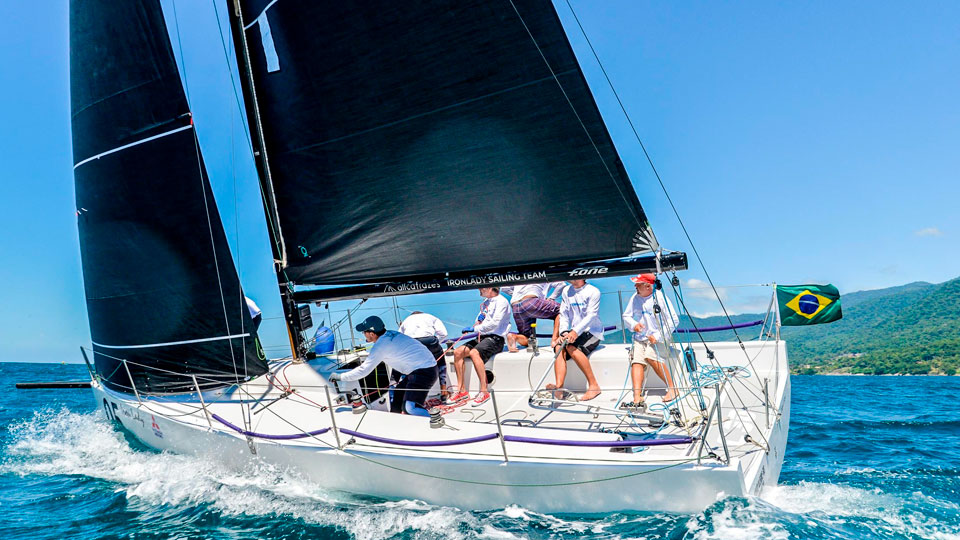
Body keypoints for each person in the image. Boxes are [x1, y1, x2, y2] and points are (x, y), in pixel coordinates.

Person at [329, 316, 437, 417]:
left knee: (410, 408)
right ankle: (398, 422)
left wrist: (340, 377)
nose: (363, 334)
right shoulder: (391, 333)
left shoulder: (381, 346)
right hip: (425, 368)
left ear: (371, 333)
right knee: (398, 394)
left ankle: (436, 423)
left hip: (423, 372)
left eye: (364, 332)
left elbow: (363, 371)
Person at [621, 274, 680, 407]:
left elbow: (673, 319)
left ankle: (672, 388)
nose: (635, 286)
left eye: (638, 284)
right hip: (640, 337)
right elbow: (626, 316)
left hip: (659, 338)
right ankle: (637, 396)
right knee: (636, 361)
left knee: (651, 357)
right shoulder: (634, 298)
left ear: (648, 286)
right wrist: (634, 325)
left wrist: (658, 336)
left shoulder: (661, 298)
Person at [452, 287, 510, 405]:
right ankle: (461, 391)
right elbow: (481, 320)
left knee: (474, 353)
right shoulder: (485, 303)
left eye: (482, 287)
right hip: (482, 337)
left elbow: (494, 324)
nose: (479, 289)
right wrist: (478, 321)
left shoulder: (502, 302)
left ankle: (484, 392)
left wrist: (474, 328)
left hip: (496, 338)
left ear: (490, 288)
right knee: (457, 352)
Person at [549, 279, 603, 401]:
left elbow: (591, 315)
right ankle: (559, 389)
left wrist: (575, 331)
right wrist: (563, 332)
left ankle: (594, 386)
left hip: (593, 332)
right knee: (559, 346)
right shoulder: (566, 291)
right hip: (574, 332)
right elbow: (564, 314)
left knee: (571, 347)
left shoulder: (593, 291)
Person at [399, 310, 450, 401]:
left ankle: (405, 397)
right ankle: (443, 390)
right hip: (430, 342)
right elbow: (444, 334)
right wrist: (435, 343)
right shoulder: (431, 316)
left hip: (413, 345)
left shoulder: (406, 320)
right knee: (441, 362)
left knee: (407, 369)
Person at [501, 282, 565, 352]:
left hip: (516, 307)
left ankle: (514, 336)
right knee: (562, 310)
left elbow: (504, 288)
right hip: (531, 302)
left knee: (528, 339)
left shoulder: (520, 274)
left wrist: (518, 294)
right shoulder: (544, 272)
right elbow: (561, 284)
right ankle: (555, 340)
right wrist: (551, 298)